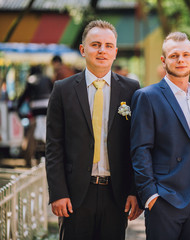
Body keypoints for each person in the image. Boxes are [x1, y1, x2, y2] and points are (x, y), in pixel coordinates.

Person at [46, 20, 142, 240]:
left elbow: (137, 145)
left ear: (115, 52)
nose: (102, 50)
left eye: (108, 46)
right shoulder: (63, 90)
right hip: (75, 195)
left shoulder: (132, 90)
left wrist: (134, 191)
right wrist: (58, 193)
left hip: (116, 195)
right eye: (95, 44)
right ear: (83, 49)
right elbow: (54, 146)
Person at [131, 32, 190, 240]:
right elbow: (140, 149)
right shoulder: (147, 96)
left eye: (185, 55)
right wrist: (150, 195)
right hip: (165, 200)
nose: (180, 60)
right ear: (164, 61)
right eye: (174, 56)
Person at [17, 65, 53, 165]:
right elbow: (53, 92)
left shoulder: (30, 80)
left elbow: (25, 96)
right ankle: (47, 156)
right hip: (47, 108)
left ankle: (29, 157)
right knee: (47, 132)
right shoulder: (47, 79)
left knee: (32, 133)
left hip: (36, 110)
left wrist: (18, 107)